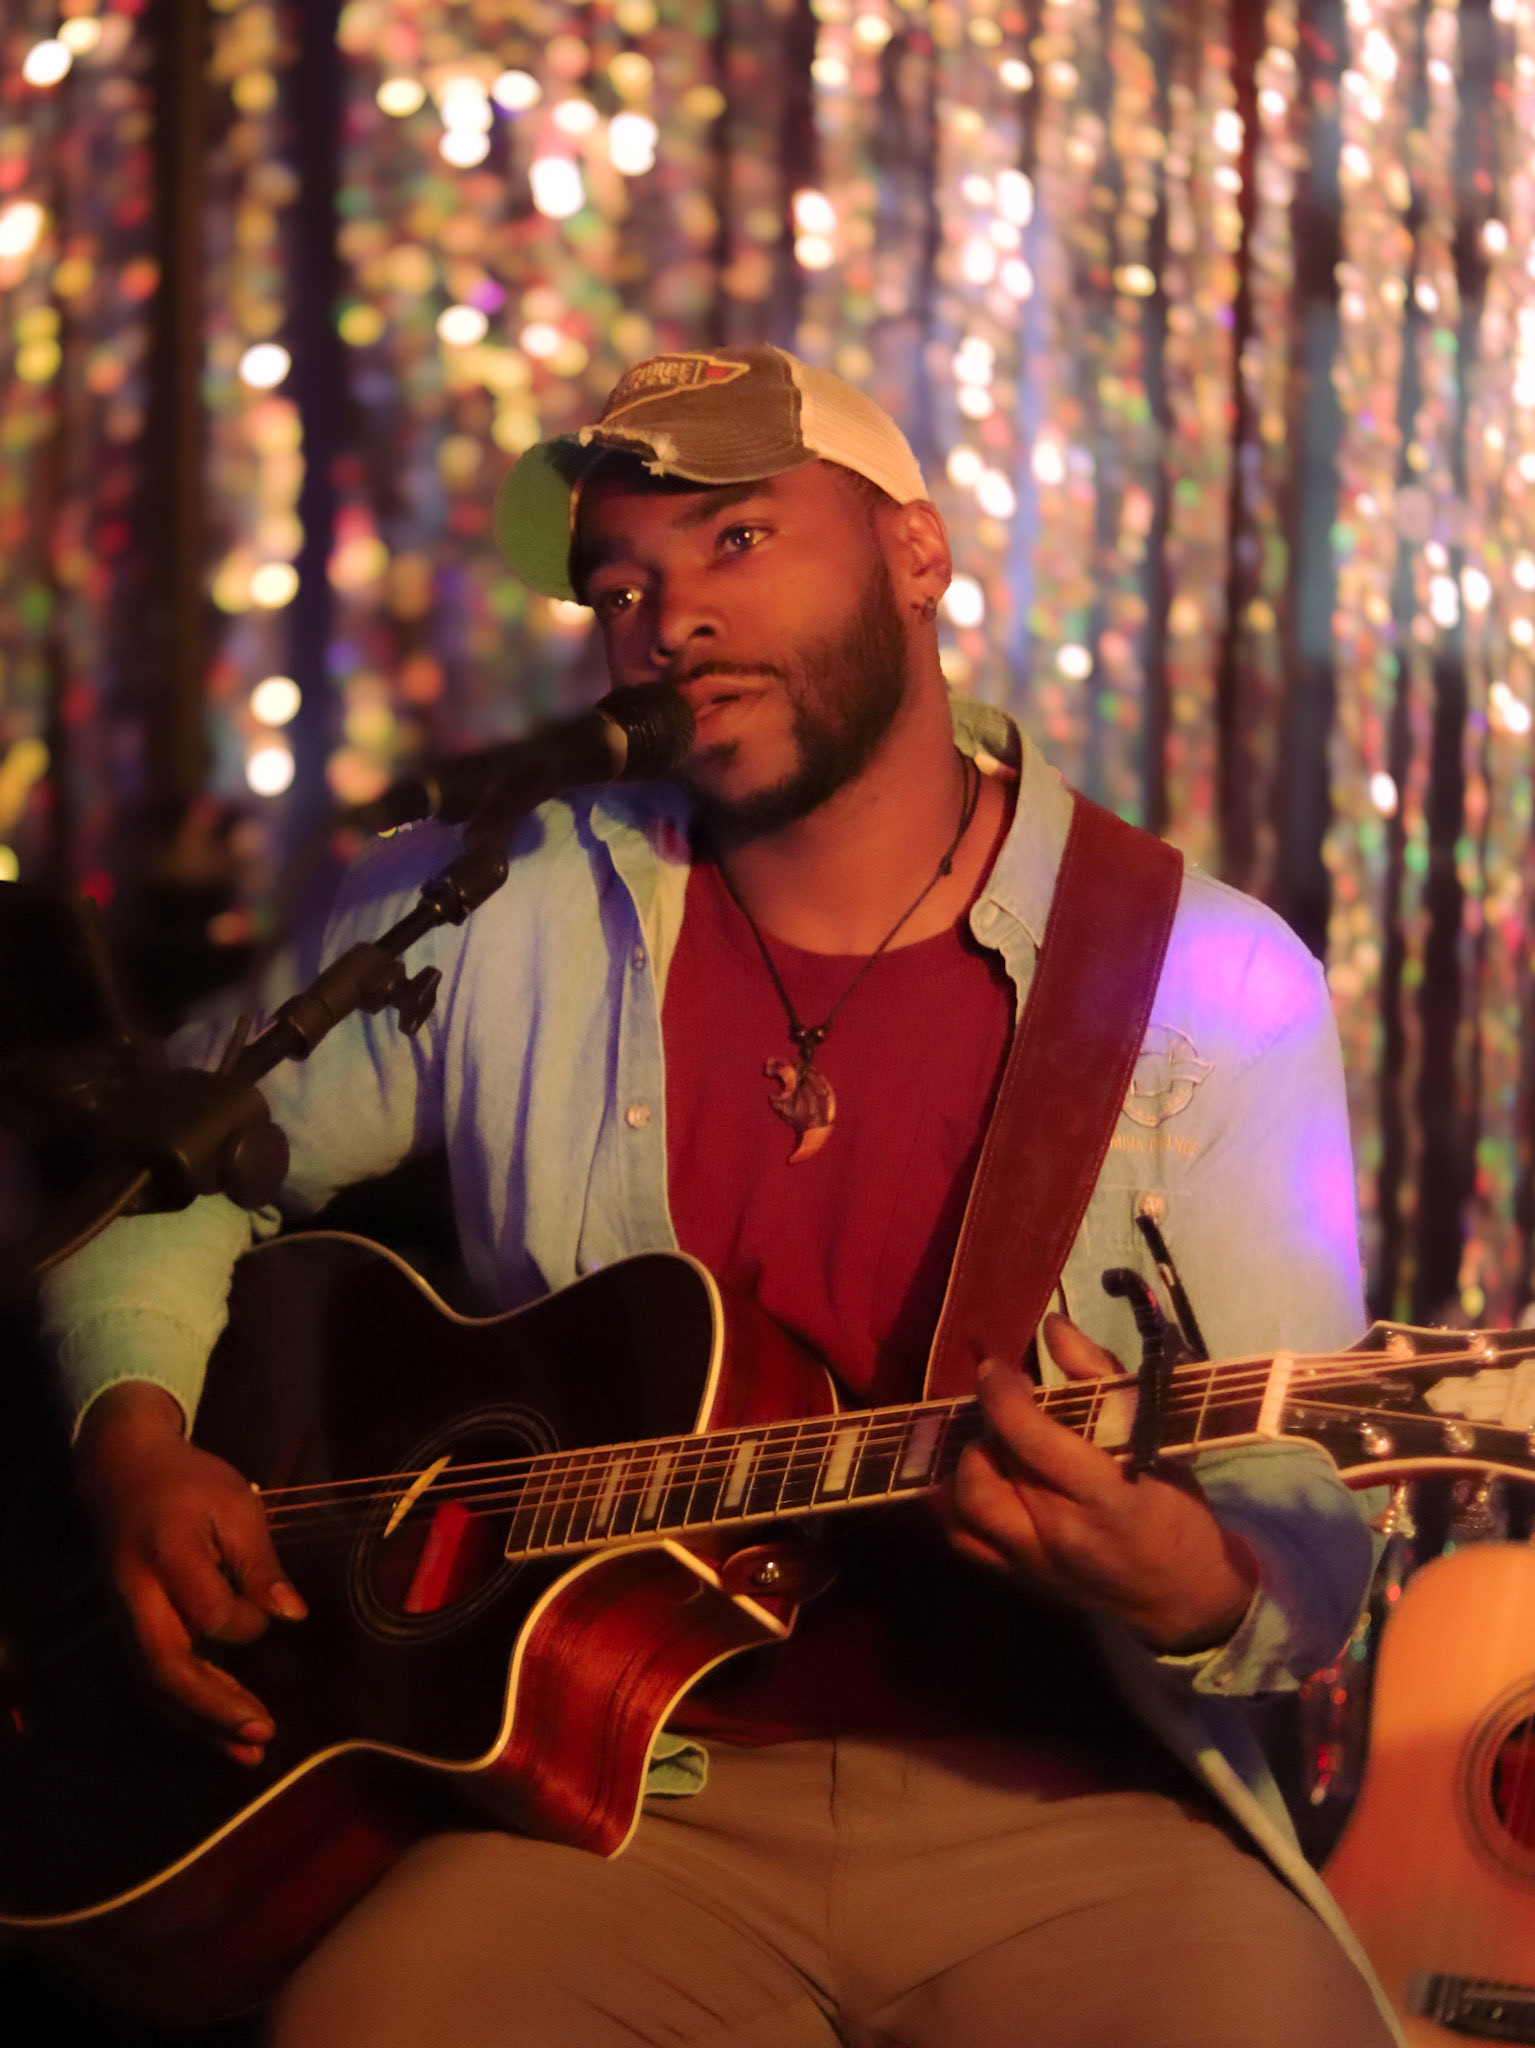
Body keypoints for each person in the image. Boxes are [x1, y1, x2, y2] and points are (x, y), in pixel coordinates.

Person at [41, 344, 1402, 2047]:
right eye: (621, 586)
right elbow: (160, 1172)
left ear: (916, 555)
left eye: (737, 541)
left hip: (1067, 1809)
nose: (668, 619)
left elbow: (1312, 1509)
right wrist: (135, 1440)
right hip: (607, 1801)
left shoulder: (1214, 977)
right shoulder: (492, 901)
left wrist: (1189, 1576)